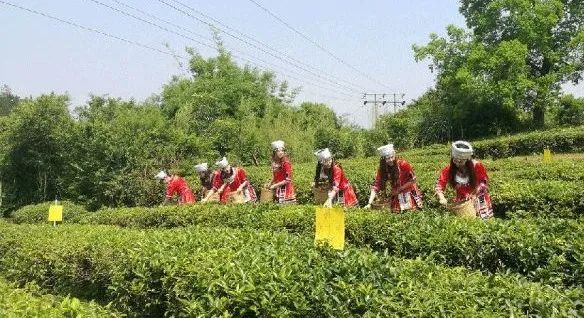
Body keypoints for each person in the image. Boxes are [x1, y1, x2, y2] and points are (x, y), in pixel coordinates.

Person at [435, 140, 493, 219]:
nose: (457, 164)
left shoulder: (477, 166)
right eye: (455, 160)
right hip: (463, 202)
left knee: (484, 221)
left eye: (461, 161)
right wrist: (442, 198)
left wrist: (474, 194)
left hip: (479, 197)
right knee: (467, 221)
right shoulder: (449, 169)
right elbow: (440, 184)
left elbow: (483, 183)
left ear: (467, 160)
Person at [364, 144, 423, 212]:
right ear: (383, 160)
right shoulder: (383, 170)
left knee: (411, 212)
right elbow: (376, 185)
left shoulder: (403, 164)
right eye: (387, 158)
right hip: (396, 194)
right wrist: (369, 203)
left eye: (392, 157)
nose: (390, 160)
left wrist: (399, 189)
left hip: (408, 191)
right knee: (397, 213)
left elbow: (413, 179)